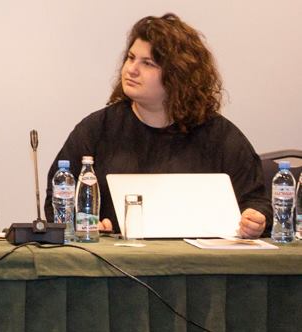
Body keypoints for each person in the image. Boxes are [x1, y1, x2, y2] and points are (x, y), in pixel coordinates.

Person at [47, 13, 268, 237]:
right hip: (115, 256)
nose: (131, 69)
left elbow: (257, 202)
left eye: (147, 63)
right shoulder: (97, 129)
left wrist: (254, 221)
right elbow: (57, 202)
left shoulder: (219, 135)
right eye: (131, 58)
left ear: (177, 76)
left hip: (198, 257)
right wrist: (86, 226)